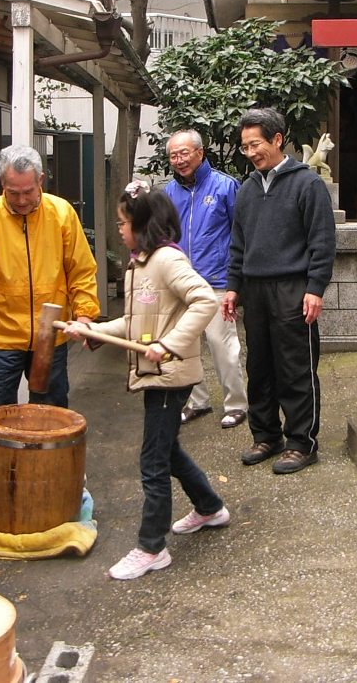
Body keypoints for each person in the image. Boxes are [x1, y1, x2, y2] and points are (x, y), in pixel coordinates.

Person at [65, 183, 228, 580]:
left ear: (143, 224)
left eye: (123, 222)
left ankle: (151, 547)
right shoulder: (140, 264)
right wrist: (93, 331)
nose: (119, 230)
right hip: (155, 373)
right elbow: (135, 323)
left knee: (152, 461)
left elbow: (205, 299)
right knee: (166, 450)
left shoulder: (167, 262)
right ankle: (209, 507)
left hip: (170, 377)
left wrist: (168, 344)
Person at [0, 144, 99, 422]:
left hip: (50, 332)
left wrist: (84, 317)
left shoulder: (62, 213)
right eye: (13, 192)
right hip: (2, 335)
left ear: (40, 180)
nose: (21, 200)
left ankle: (48, 464)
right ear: (2, 183)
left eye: (28, 191)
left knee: (51, 410)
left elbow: (81, 270)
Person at [223, 108, 336, 475]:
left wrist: (315, 288)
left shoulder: (308, 184)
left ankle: (302, 443)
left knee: (296, 367)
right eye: (245, 147)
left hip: (292, 287)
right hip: (254, 290)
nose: (251, 152)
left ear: (277, 139)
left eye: (255, 144)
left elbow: (322, 241)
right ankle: (266, 435)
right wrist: (232, 288)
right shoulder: (247, 189)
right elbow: (238, 244)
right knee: (260, 366)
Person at [163, 129, 247, 428]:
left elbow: (241, 233)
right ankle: (197, 401)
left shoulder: (225, 186)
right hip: (180, 282)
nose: (179, 160)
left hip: (217, 280)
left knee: (222, 343)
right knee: (185, 345)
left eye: (184, 153)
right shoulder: (168, 193)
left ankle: (236, 404)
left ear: (200, 152)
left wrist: (237, 283)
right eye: (174, 155)